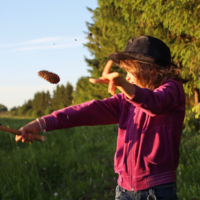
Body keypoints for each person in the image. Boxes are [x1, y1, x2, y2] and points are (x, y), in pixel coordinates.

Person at [15, 35, 187, 200]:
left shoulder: (172, 89)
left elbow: (155, 103)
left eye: (129, 71)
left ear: (150, 69)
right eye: (124, 73)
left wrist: (123, 84)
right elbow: (86, 111)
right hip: (124, 191)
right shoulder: (124, 101)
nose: (126, 77)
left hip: (157, 191)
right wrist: (41, 123)